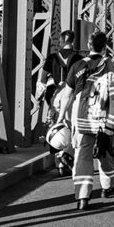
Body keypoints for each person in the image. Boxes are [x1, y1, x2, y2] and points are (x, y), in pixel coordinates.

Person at [65, 31, 114, 212]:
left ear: (89, 45)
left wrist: (62, 117)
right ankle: (108, 186)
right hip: (105, 123)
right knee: (106, 154)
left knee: (83, 158)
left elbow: (67, 95)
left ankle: (82, 197)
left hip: (82, 121)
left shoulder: (78, 65)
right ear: (104, 48)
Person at [36, 30, 81, 175]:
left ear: (61, 42)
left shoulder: (52, 58)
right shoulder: (79, 58)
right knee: (72, 127)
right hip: (72, 96)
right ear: (73, 42)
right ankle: (68, 154)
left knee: (56, 128)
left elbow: (42, 78)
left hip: (55, 96)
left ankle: (59, 163)